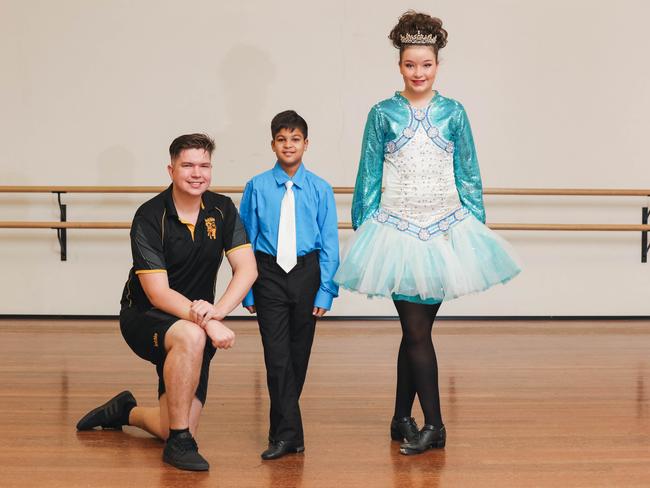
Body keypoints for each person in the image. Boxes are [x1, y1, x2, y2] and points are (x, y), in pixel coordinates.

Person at [335, 11, 521, 455]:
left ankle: (423, 422)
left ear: (438, 65)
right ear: (399, 65)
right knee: (414, 331)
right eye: (410, 65)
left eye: (426, 65)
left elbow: (468, 170)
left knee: (415, 331)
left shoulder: (454, 112)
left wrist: (471, 224)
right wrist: (366, 228)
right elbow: (368, 172)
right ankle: (416, 421)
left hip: (443, 232)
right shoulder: (382, 113)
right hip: (396, 233)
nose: (418, 73)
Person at [75, 133, 257, 471]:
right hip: (145, 316)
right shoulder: (149, 216)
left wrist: (218, 311)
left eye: (204, 165)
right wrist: (207, 322)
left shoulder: (222, 208)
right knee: (192, 338)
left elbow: (247, 268)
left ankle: (124, 411)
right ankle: (178, 445)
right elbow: (157, 293)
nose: (196, 173)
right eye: (187, 165)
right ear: (171, 169)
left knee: (175, 421)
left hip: (197, 321)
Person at [239, 110, 340, 460]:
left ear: (306, 144)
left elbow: (329, 243)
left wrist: (326, 289)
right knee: (277, 357)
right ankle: (287, 436)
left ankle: (283, 432)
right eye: (282, 139)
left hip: (306, 273)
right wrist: (247, 289)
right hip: (267, 274)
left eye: (295, 139)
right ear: (272, 144)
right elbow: (245, 243)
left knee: (298, 357)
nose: (288, 145)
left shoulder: (320, 189)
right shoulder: (256, 187)